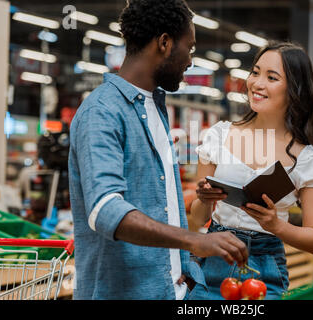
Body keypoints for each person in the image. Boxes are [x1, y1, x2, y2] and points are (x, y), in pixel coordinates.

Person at [68, 0, 247, 300]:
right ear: (164, 43)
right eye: (189, 48)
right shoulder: (102, 111)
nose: (190, 61)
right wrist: (192, 241)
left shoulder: (156, 108)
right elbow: (105, 210)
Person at [188, 41, 313, 300]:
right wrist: (204, 201)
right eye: (255, 72)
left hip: (266, 269)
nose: (257, 83)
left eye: (271, 77)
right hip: (214, 257)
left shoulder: (307, 159)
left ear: (294, 89)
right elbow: (196, 220)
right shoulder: (219, 136)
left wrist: (275, 224)